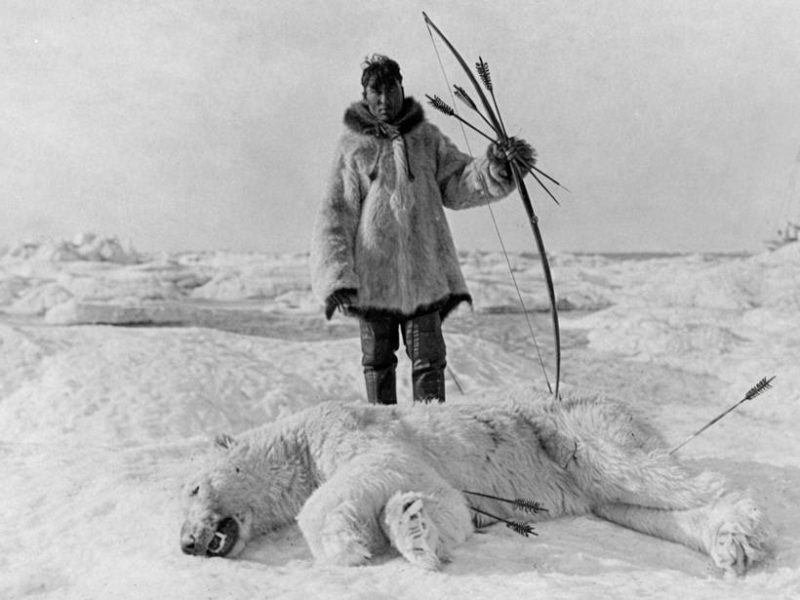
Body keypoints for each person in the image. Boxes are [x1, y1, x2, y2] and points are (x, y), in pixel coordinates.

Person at [310, 54, 535, 405]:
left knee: (430, 363)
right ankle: (384, 444)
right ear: (365, 94)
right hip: (374, 281)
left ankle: (434, 441)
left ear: (402, 88)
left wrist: (496, 167)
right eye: (376, 91)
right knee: (377, 363)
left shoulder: (427, 139)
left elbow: (459, 182)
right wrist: (337, 277)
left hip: (424, 274)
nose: (384, 100)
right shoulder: (352, 147)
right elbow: (334, 215)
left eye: (391, 89)